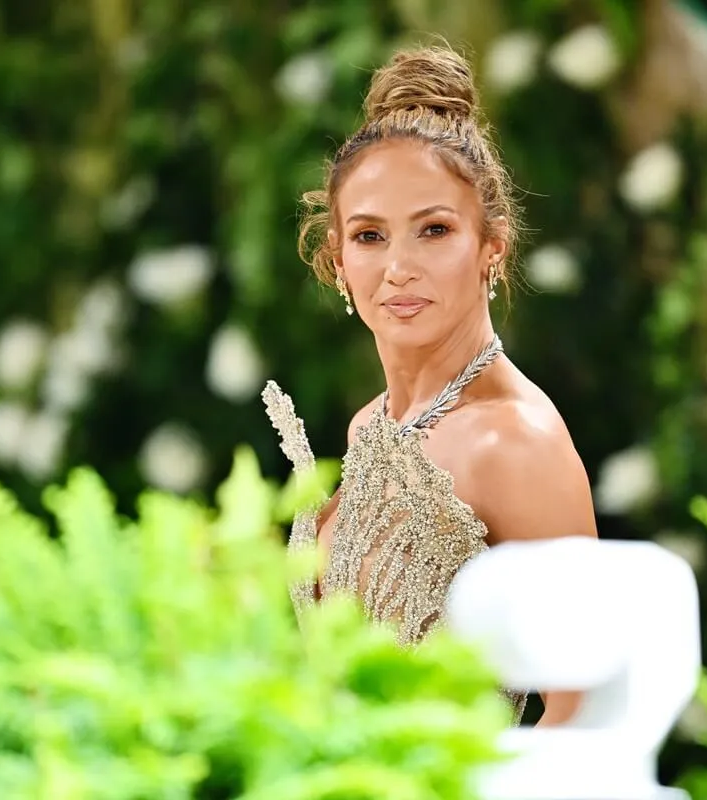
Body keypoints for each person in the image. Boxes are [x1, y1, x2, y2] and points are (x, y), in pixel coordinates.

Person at [262, 42, 598, 727]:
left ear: (490, 248)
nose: (399, 268)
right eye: (370, 236)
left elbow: (584, 716)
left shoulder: (515, 443)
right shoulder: (371, 426)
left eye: (434, 230)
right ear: (337, 261)